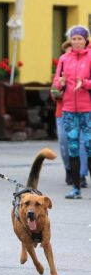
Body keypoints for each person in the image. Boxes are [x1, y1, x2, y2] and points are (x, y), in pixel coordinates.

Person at [52, 25, 91, 199]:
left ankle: (84, 182)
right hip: (68, 110)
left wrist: (85, 84)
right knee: (73, 148)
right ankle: (76, 188)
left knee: (89, 146)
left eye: (79, 39)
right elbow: (56, 83)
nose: (76, 42)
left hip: (87, 109)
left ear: (85, 40)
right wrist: (59, 84)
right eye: (74, 39)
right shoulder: (64, 58)